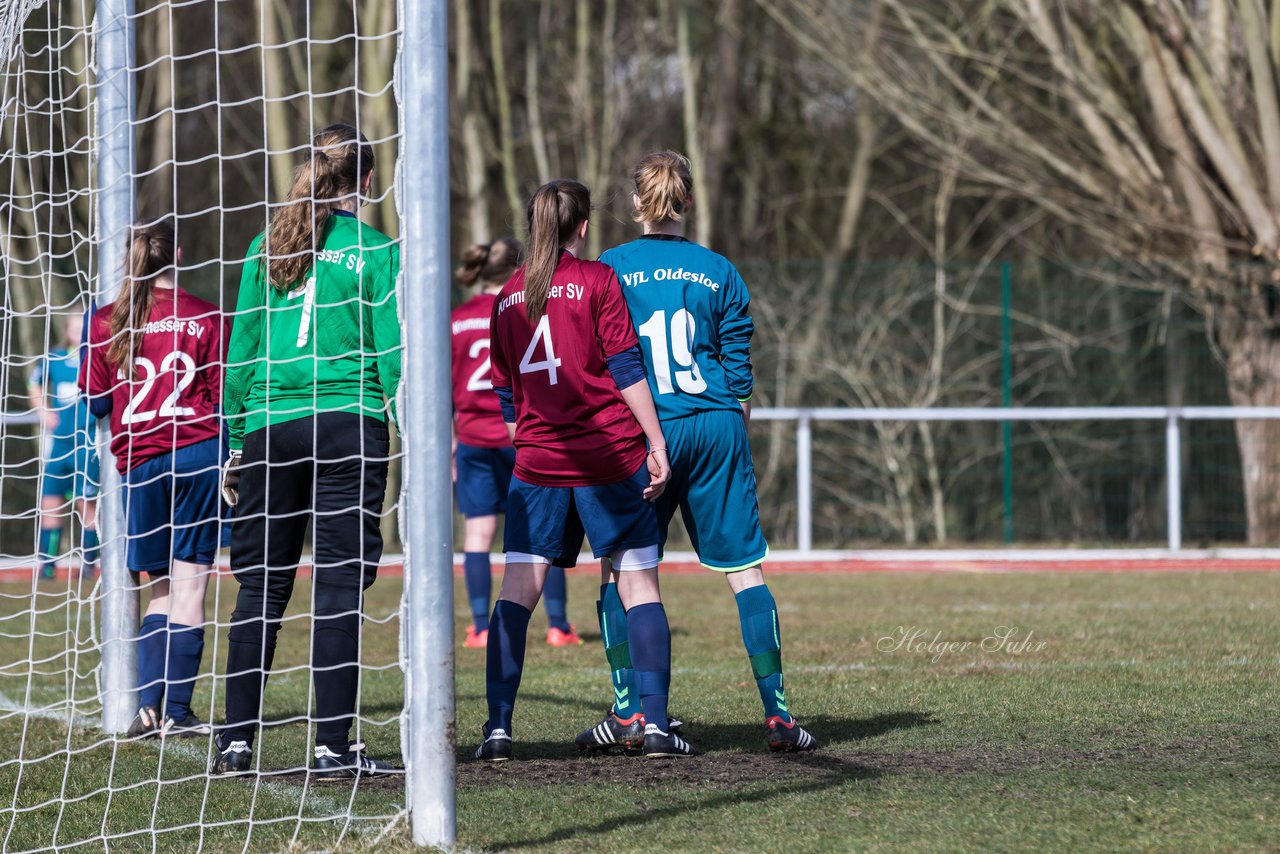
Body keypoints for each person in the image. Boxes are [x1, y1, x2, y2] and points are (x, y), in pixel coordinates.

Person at [578, 150, 817, 753]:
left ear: (637, 204)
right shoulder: (720, 269)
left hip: (646, 427)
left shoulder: (610, 267)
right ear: (687, 202)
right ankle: (780, 717)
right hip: (715, 423)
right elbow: (739, 373)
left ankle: (631, 710)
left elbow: (602, 357)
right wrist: (733, 436)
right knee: (744, 570)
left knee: (625, 570)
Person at [474, 179, 693, 761]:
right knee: (639, 584)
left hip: (539, 464)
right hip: (607, 456)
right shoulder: (598, 279)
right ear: (583, 227)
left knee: (517, 592)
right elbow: (625, 367)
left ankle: (498, 730)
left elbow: (503, 389)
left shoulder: (507, 297)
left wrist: (530, 439)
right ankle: (655, 727)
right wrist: (655, 440)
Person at [213, 123, 401, 779]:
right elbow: (393, 355)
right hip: (348, 425)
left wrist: (237, 444)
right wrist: (406, 427)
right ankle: (330, 748)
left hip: (271, 427)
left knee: (259, 590)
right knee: (339, 588)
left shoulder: (269, 245)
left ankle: (235, 745)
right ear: (369, 183)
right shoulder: (378, 251)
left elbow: (238, 359)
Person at [79, 217, 227, 738]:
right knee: (191, 588)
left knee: (160, 588)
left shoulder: (104, 321)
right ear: (180, 255)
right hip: (199, 455)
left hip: (140, 463)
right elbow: (221, 395)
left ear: (131, 258)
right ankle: (179, 712)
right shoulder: (208, 315)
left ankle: (147, 708)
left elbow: (96, 401)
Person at [451, 238, 581, 650]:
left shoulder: (454, 320)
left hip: (471, 439)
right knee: (545, 534)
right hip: (520, 434)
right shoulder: (520, 308)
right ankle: (558, 625)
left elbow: (445, 386)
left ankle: (478, 627)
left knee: (478, 534)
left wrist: (452, 442)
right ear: (514, 269)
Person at [30, 312, 99, 582]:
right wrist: (42, 409)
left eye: (83, 328)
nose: (78, 333)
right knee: (50, 505)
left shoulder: (96, 359)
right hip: (59, 446)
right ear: (67, 330)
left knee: (86, 507)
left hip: (86, 446)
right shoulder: (54, 358)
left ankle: (88, 566)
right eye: (74, 328)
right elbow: (33, 382)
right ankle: (47, 568)